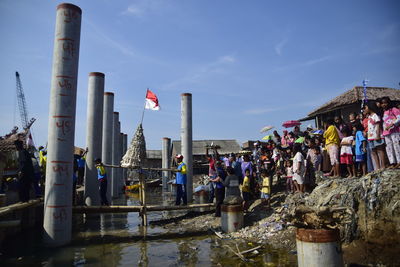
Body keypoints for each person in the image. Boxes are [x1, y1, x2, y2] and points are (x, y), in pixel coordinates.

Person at [364, 103, 386, 170]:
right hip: (370, 137)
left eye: (366, 108)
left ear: (370, 107)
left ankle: (383, 166)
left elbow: (378, 125)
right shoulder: (369, 117)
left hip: (376, 135)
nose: (365, 109)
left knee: (380, 150)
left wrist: (378, 135)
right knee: (373, 151)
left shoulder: (375, 115)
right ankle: (377, 167)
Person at [381, 97, 400, 168]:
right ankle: (392, 162)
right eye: (382, 103)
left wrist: (392, 124)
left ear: (389, 103)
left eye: (385, 103)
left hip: (394, 131)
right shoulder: (384, 112)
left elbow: (399, 118)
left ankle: (399, 161)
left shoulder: (394, 109)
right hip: (386, 132)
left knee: (396, 146)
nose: (384, 104)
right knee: (389, 148)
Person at [15, 136, 33, 202]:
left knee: (22, 187)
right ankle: (25, 199)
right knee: (26, 187)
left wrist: (20, 172)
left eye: (16, 146)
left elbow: (23, 163)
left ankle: (23, 200)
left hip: (24, 174)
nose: (15, 147)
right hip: (28, 174)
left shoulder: (22, 152)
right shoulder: (25, 152)